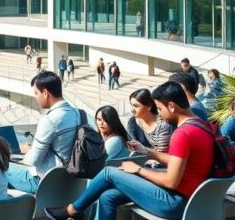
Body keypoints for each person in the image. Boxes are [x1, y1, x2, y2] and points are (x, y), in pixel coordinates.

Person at [44, 82, 215, 220]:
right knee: (108, 196)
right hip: (193, 200)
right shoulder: (201, 125)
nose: (160, 114)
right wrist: (147, 151)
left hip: (174, 202)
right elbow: (177, 161)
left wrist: (139, 170)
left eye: (160, 108)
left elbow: (171, 182)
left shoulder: (182, 134)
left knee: (109, 172)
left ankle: (73, 209)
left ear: (171, 106)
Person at [5, 71, 79, 194]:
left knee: (0, 168)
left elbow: (33, 161)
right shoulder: (75, 113)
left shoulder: (49, 120)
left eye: (36, 93)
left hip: (44, 181)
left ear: (45, 93)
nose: (36, 97)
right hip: (68, 179)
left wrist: (27, 153)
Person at [126, 89, 172, 153]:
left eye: (136, 106)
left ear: (148, 106)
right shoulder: (135, 121)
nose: (132, 110)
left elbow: (162, 154)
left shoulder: (162, 126)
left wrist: (144, 150)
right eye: (131, 105)